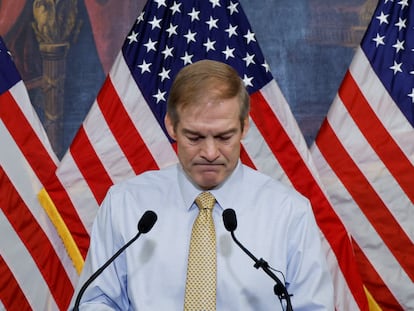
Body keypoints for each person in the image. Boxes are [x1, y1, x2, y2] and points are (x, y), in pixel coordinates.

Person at [69, 59, 334, 310]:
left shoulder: (289, 212)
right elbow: (94, 301)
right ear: (172, 127)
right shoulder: (125, 205)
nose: (210, 152)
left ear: (244, 127)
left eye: (223, 137)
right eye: (194, 137)